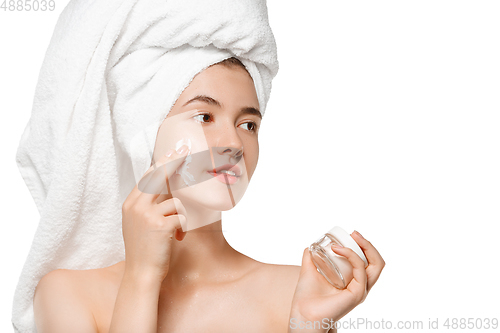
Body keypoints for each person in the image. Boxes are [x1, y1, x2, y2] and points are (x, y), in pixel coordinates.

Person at [32, 56, 385, 333]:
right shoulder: (67, 295)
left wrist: (307, 327)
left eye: (248, 125)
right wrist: (140, 278)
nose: (234, 144)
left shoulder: (296, 291)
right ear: (145, 132)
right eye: (204, 116)